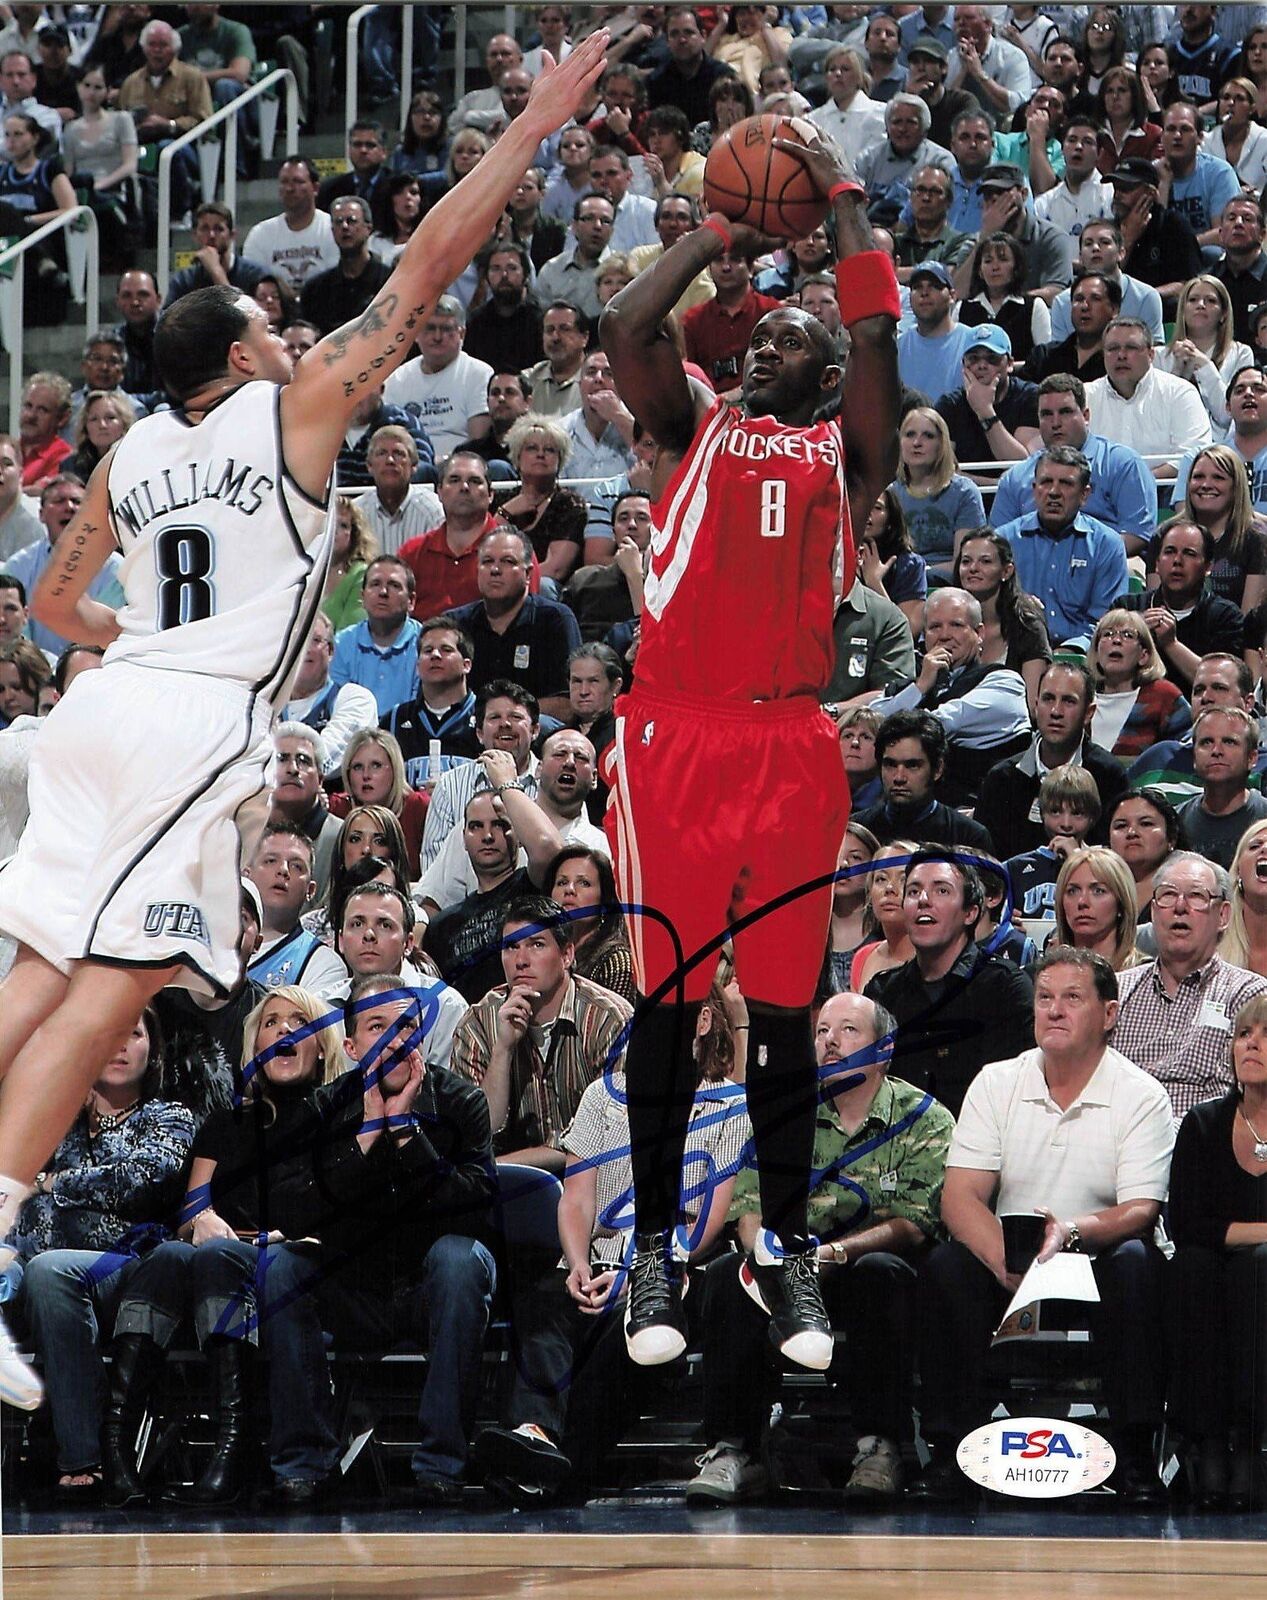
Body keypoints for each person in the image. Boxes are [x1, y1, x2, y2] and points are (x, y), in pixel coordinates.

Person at [0, 30, 611, 1410]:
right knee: (113, 991)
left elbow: (49, 602)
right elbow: (425, 271)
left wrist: (139, 645)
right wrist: (529, 128)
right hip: (188, 722)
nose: (293, 333)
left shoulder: (131, 444)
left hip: (99, 713)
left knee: (37, 970)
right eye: (270, 325)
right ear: (236, 352)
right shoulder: (294, 408)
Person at [598, 121, 900, 1370]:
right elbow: (627, 325)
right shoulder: (693, 424)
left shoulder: (849, 454)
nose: (767, 341)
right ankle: (657, 1249)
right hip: (676, 733)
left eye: (796, 339)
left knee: (783, 1007)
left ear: (827, 374)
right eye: (759, 333)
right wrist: (719, 225)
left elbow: (876, 333)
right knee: (670, 998)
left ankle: (781, 1253)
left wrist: (833, 196)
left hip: (788, 741)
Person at [913, 945, 1173, 1506]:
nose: (1054, 1010)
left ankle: (1132, 1454)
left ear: (1109, 1014)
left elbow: (1139, 1210)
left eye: (1072, 998)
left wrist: (1071, 1233)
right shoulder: (996, 1081)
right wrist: (1007, 1266)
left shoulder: (1140, 1094)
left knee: (1137, 1264)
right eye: (1045, 998)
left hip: (1095, 1254)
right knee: (946, 1265)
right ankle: (947, 1450)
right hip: (1009, 1257)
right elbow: (961, 1197)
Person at [686, 989, 953, 1506]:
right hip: (784, 1264)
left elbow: (917, 1221)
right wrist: (773, 1256)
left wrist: (833, 1255)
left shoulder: (925, 1117)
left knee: (882, 1272)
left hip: (862, 1267)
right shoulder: (784, 1112)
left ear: (884, 1048)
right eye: (822, 1031)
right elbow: (747, 1208)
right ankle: (734, 1449)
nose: (830, 1041)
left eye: (848, 1030)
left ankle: (880, 1446)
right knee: (724, 1275)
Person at [97, 986, 344, 1508]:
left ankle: (233, 1446)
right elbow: (192, 1210)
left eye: (296, 1021)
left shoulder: (337, 1116)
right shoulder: (226, 1121)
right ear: (254, 1045)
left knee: (211, 1257)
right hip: (218, 1259)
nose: (281, 1031)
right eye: (270, 1023)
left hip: (295, 1263)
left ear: (321, 1044)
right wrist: (201, 1219)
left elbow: (338, 1206)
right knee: (167, 1254)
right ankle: (117, 1452)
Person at [1168, 992, 1267, 1509]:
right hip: (1209, 1269)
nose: (1251, 1045)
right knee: (1193, 1267)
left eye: (1265, 1035)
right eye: (1243, 1035)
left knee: (1257, 1269)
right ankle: (1206, 1445)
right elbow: (1184, 1224)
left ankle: (1251, 1445)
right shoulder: (1203, 1125)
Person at [864, 850, 1036, 1117]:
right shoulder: (883, 992)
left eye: (941, 891)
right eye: (913, 892)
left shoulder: (1005, 988)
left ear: (970, 913)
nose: (923, 900)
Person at [1114, 851, 1267, 1120]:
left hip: (1204, 1147)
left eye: (1196, 896)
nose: (1180, 907)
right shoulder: (1117, 991)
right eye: (1168, 895)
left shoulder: (1250, 995)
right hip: (1120, 1139)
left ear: (1223, 915)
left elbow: (1233, 1097)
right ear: (1152, 911)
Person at [870, 586, 1031, 807]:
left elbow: (945, 721)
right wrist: (920, 687)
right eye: (935, 627)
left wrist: (897, 720)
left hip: (969, 816)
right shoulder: (911, 686)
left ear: (979, 633)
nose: (944, 636)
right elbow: (869, 726)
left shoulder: (1004, 682)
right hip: (902, 812)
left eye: (956, 625)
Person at [975, 659, 1127, 862]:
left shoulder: (1109, 776)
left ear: (1088, 713)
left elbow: (1118, 858)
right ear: (1036, 706)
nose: (1056, 711)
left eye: (1068, 701)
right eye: (1048, 699)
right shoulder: (1001, 779)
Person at [989, 372, 1158, 553]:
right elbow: (997, 542)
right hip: (1032, 569)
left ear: (1085, 416)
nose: (1055, 423)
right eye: (1046, 414)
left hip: (1108, 563)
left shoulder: (1123, 464)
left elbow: (1138, 534)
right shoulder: (1016, 477)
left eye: (1065, 412)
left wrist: (1085, 558)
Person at [992, 445, 1130, 647]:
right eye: (1046, 482)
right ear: (1034, 489)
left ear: (1085, 494)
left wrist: (1070, 651)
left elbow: (1107, 622)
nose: (1054, 492)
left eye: (1066, 484)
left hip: (1083, 657)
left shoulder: (1107, 545)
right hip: (1015, 651)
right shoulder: (1004, 540)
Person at [1116, 521, 1244, 693]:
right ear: (1156, 563)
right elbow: (1102, 669)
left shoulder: (1226, 616)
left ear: (1208, 567)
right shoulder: (1126, 608)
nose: (1177, 561)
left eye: (1189, 553)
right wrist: (1137, 634)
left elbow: (1221, 687)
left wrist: (1170, 644)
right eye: (1169, 552)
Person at [1086, 315, 1214, 480]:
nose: (1121, 355)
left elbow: (1193, 454)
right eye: (1113, 348)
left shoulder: (1180, 393)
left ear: (1151, 354)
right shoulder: (1086, 396)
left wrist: (1139, 482)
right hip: (1100, 493)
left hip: (1165, 490)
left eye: (1131, 347)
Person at [853, 710, 993, 852]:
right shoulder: (856, 830)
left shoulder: (969, 837)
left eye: (912, 765)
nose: (899, 777)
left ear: (937, 769)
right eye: (891, 765)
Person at [950, 527, 1052, 709]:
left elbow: (1032, 706)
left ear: (1006, 571)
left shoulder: (1027, 626)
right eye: (966, 561)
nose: (973, 568)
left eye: (985, 561)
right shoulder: (946, 623)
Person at [244, 822, 348, 997]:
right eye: (270, 861)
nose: (283, 870)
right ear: (246, 875)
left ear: (311, 890)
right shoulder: (209, 943)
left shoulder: (322, 964)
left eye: (296, 866)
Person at [1171, 443, 1267, 614]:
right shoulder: (1166, 535)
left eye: (1218, 478)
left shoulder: (1257, 539)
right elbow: (1157, 612)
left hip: (1236, 637)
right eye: (1198, 477)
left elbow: (1249, 621)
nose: (1206, 484)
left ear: (1236, 486)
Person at [1089, 609, 1192, 766]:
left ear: (1143, 655)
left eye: (1128, 635)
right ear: (1096, 652)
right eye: (1108, 634)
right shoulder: (1081, 697)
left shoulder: (1163, 696)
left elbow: (1189, 748)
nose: (1116, 640)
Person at [935, 323, 1041, 470]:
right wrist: (995, 484)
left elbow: (1024, 466)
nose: (982, 365)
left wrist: (985, 411)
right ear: (964, 365)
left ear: (1010, 364)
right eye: (973, 358)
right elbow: (944, 473)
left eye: (992, 358)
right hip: (967, 492)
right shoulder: (950, 405)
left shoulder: (1030, 396)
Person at [1155, 275, 1255, 430]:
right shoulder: (1159, 356)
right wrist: (1177, 372)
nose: (1201, 305)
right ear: (1182, 311)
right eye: (1193, 299)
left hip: (1221, 447)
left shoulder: (1241, 354)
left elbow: (1228, 416)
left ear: (1224, 314)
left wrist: (1204, 365)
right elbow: (1157, 416)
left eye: (1211, 301)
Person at [1005, 764, 1102, 920]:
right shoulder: (1014, 868)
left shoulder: (1108, 867)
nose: (1066, 823)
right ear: (1042, 814)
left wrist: (1076, 858)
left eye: (1077, 813)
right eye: (1055, 812)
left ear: (1092, 817)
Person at [1175, 707, 1267, 872]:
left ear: (1252, 758)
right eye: (1206, 742)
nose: (1216, 751)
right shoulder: (1174, 823)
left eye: (1229, 742)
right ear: (1194, 757)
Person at [329, 726, 428, 879]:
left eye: (376, 765)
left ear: (395, 769)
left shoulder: (419, 807)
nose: (366, 775)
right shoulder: (338, 807)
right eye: (357, 767)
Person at [547, 844, 636, 1003]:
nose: (570, 889)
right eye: (562, 882)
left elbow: (618, 1023)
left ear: (604, 900)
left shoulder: (616, 960)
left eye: (584, 883)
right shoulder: (542, 953)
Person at [298, 196, 393, 338]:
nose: (344, 227)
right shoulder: (315, 290)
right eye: (338, 222)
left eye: (351, 221)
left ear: (368, 228)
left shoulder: (390, 281)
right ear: (332, 231)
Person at [241, 156, 337, 298]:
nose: (290, 188)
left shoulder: (332, 229)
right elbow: (253, 288)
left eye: (298, 182)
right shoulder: (260, 234)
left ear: (315, 188)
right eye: (284, 182)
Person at [956, 230, 1051, 364]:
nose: (995, 267)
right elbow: (956, 359)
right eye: (988, 261)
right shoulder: (962, 309)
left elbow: (1044, 360)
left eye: (1003, 259)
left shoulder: (1034, 307)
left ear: (1016, 268)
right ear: (979, 271)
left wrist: (1004, 368)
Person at [1053, 846, 1145, 972]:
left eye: (1098, 891)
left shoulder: (1144, 974)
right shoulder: (1046, 975)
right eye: (1072, 891)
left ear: (1121, 902)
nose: (1082, 902)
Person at [896, 261, 976, 405]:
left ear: (952, 295)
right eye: (917, 287)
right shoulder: (897, 347)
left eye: (934, 286)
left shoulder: (972, 342)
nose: (924, 293)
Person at [1108, 788, 1184, 925]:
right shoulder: (1098, 884)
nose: (1132, 833)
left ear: (1171, 837)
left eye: (1146, 824)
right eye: (1121, 826)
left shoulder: (1192, 884)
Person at [858, 489, 927, 636]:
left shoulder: (909, 565)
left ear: (890, 520)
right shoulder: (835, 557)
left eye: (877, 507)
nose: (866, 511)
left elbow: (909, 631)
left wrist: (875, 583)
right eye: (861, 504)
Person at [808, 44, 886, 166]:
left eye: (845, 69)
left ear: (859, 77)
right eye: (832, 69)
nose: (838, 74)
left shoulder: (880, 113)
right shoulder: (812, 120)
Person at [68, 390, 135, 486]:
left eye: (110, 417)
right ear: (85, 427)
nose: (102, 425)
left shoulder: (135, 461)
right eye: (94, 419)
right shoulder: (71, 465)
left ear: (124, 424)